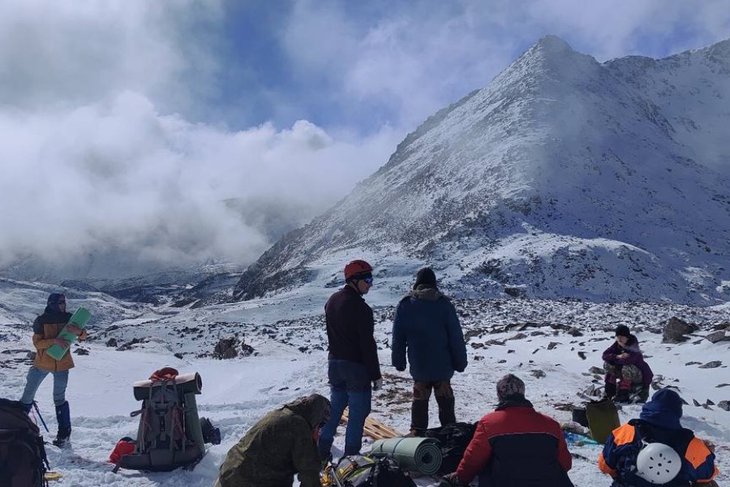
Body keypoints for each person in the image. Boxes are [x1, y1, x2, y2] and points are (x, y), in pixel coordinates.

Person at [442, 374, 574, 487]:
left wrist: (460, 478)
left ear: (500, 395)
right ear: (522, 393)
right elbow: (566, 464)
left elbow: (473, 460)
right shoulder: (551, 424)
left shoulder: (489, 423)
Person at [318, 259, 382, 460]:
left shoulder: (332, 301)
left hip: (335, 365)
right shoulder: (361, 309)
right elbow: (367, 345)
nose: (371, 283)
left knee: (336, 408)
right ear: (355, 280)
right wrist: (375, 375)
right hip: (355, 368)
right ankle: (351, 458)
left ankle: (321, 449)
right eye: (368, 279)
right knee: (358, 413)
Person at [391, 267, 467, 436]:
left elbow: (398, 337)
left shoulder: (406, 305)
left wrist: (399, 361)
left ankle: (417, 440)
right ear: (434, 284)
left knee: (419, 405)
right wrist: (460, 363)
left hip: (420, 367)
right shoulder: (444, 305)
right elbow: (456, 337)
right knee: (447, 409)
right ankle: (450, 438)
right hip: (443, 367)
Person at [598, 388, 719, 486]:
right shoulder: (691, 444)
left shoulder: (625, 432)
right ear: (677, 412)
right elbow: (708, 475)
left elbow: (604, 466)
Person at [215, 394, 330, 487]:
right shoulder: (300, 427)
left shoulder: (281, 414)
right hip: (248, 481)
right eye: (320, 424)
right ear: (316, 416)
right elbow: (309, 472)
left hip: (229, 472)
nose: (319, 429)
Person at [19, 293, 87, 447]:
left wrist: (79, 332)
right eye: (61, 302)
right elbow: (38, 344)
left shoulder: (70, 318)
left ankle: (64, 435)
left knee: (59, 399)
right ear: (53, 304)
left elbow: (84, 337)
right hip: (42, 363)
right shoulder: (41, 320)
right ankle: (20, 427)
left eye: (64, 302)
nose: (64, 305)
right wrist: (54, 341)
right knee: (27, 397)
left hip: (62, 365)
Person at [602, 325, 653, 403]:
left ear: (627, 337)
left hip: (639, 376)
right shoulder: (617, 345)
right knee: (608, 365)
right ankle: (609, 391)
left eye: (622, 336)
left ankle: (623, 393)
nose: (619, 339)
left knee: (626, 367)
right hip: (624, 372)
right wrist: (618, 356)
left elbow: (628, 361)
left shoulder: (633, 346)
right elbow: (605, 355)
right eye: (618, 336)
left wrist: (614, 359)